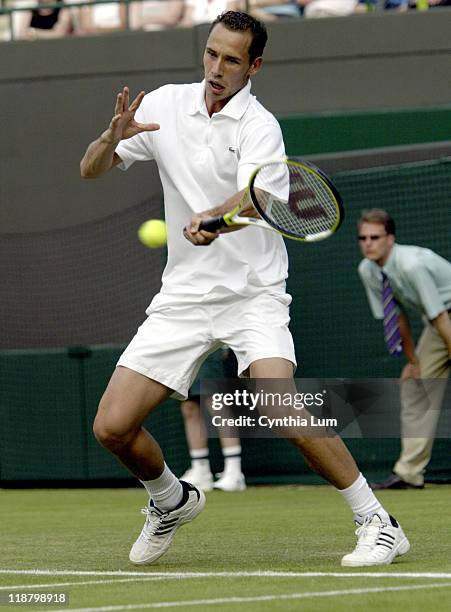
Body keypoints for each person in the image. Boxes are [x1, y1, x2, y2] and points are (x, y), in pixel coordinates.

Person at [80, 10, 409, 568]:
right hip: (184, 295)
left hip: (252, 291)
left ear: (253, 65)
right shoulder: (162, 105)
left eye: (231, 59)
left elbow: (257, 199)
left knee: (280, 404)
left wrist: (213, 218)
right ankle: (170, 500)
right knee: (111, 427)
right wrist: (110, 138)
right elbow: (91, 169)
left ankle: (378, 521)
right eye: (211, 53)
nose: (216, 68)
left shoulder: (260, 126)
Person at [357, 208, 451, 489]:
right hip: (439, 325)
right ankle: (409, 473)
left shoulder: (412, 264)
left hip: (443, 319)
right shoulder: (368, 270)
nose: (368, 243)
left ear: (390, 238)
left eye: (375, 236)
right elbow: (396, 315)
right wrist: (413, 361)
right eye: (362, 238)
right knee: (415, 387)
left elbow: (440, 317)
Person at [180, 349, 246, 492]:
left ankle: (234, 472)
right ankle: (200, 471)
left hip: (208, 344)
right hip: (184, 348)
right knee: (189, 406)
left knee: (216, 403)